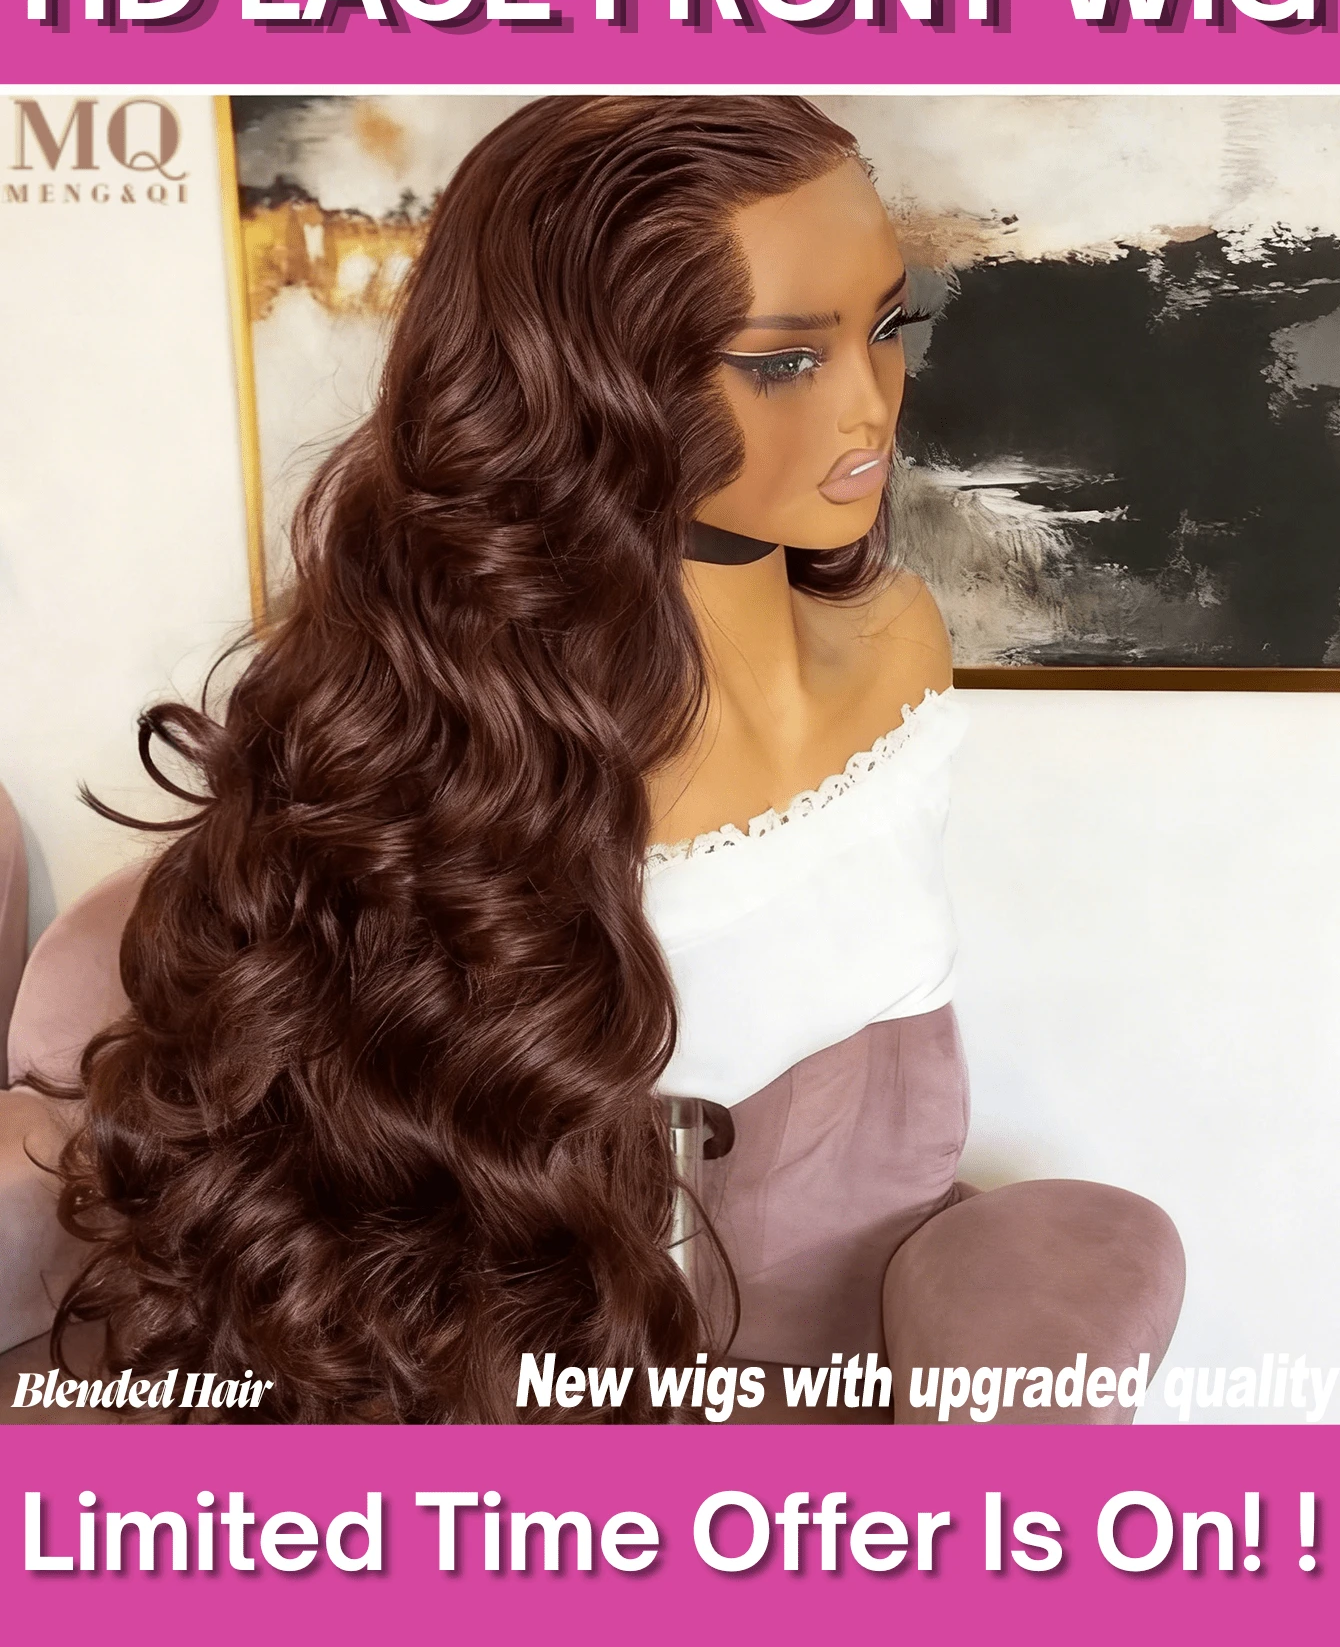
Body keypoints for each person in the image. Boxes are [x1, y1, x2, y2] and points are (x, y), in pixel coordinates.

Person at [50, 96, 1183, 1423]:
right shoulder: (470, 762)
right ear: (588, 377)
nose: (871, 406)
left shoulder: (900, 643)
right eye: (782, 360)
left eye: (887, 328)